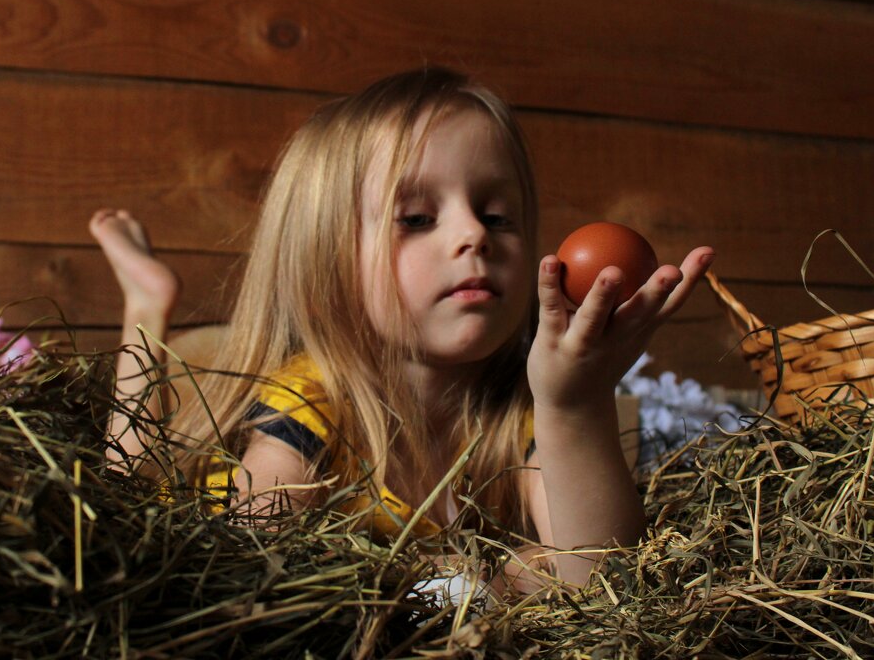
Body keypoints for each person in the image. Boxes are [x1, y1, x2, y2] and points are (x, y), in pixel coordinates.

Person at [89, 67, 714, 588]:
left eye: (498, 217)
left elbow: (604, 578)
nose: (472, 234)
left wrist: (574, 404)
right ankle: (147, 303)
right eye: (416, 218)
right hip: (197, 517)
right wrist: (470, 577)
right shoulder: (312, 401)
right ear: (326, 262)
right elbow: (251, 560)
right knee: (125, 493)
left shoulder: (520, 410)